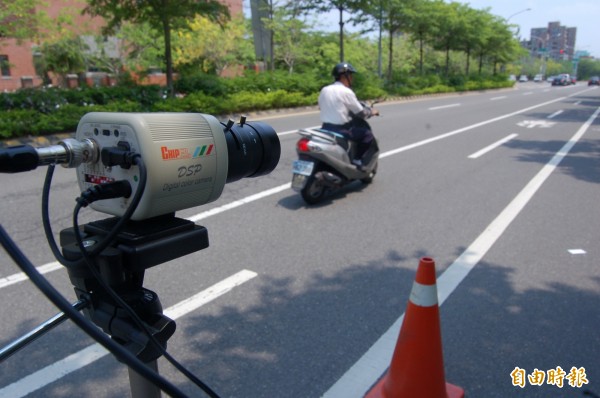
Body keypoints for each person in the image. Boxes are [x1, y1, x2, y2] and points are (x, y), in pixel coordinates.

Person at [318, 62, 379, 168]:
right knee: (367, 135)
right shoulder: (346, 92)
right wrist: (372, 112)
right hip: (341, 130)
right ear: (344, 76)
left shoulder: (325, 89)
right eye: (350, 75)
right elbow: (362, 113)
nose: (352, 78)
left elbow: (321, 106)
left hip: (325, 128)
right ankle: (357, 160)